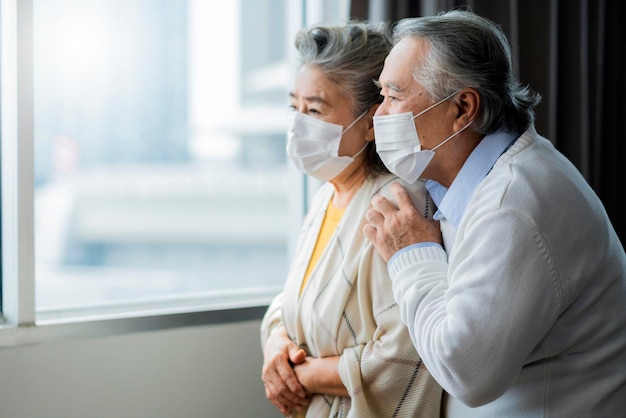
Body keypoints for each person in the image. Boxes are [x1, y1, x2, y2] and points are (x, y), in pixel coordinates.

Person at [362, 8, 626, 417]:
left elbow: (466, 372)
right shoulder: (452, 179)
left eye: (394, 97)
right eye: (381, 96)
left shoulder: (515, 204)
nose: (378, 116)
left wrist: (411, 255)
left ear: (463, 108)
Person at [260, 20, 443, 418]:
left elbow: (405, 354)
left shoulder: (395, 206)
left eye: (315, 109)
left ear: (369, 122)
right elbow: (300, 297)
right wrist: (276, 343)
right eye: (295, 107)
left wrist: (301, 376)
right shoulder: (327, 194)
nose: (297, 124)